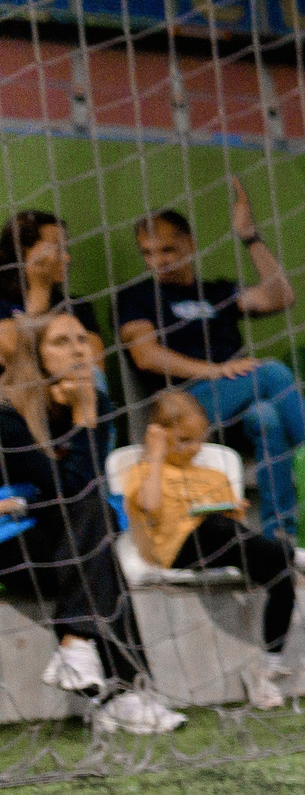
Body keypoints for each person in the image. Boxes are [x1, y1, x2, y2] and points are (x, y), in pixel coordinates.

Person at [0, 310, 178, 733]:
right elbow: (68, 488)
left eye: (82, 339)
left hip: (62, 541)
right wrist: (82, 416)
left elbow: (82, 486)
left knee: (96, 530)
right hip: (11, 544)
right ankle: (123, 687)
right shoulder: (7, 412)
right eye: (61, 342)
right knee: (95, 533)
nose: (78, 349)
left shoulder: (98, 401)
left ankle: (83, 653)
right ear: (36, 357)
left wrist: (85, 411)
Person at [122, 390, 305, 710]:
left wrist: (234, 509)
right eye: (185, 440)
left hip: (221, 544)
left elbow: (235, 526)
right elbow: (149, 505)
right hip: (176, 552)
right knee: (218, 527)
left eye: (199, 439)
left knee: (279, 574)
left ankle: (266, 671)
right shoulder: (146, 471)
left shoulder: (212, 475)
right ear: (160, 435)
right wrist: (156, 456)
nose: (195, 448)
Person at [115, 180, 305, 538]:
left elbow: (281, 296)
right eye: (148, 253)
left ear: (190, 244)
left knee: (266, 417)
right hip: (179, 409)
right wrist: (217, 371)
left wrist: (250, 237)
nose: (157, 261)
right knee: (271, 372)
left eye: (167, 250)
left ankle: (279, 534)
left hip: (232, 409)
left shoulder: (217, 292)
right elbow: (146, 356)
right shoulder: (135, 297)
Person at [0, 209, 105, 366]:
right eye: (56, 248)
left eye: (66, 248)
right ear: (22, 252)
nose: (67, 258)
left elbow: (96, 372)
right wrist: (39, 288)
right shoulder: (3, 307)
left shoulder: (76, 307)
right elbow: (19, 361)